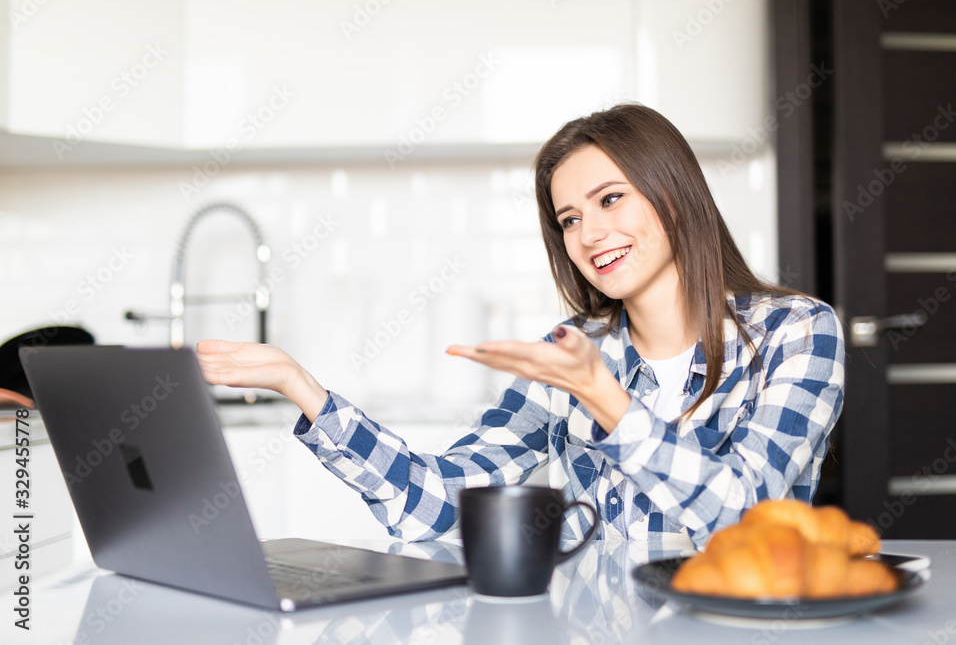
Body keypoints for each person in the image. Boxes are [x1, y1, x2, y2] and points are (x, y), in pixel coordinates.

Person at [197, 103, 845, 549]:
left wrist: (606, 399)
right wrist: (302, 387)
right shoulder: (572, 357)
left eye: (610, 198)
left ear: (673, 194)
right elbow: (437, 505)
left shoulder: (798, 333)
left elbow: (743, 514)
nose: (589, 234)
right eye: (568, 218)